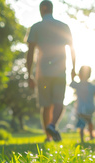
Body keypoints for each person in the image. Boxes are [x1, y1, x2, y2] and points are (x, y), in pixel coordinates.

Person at [25, 0, 76, 142]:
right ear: (52, 10)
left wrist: (29, 74)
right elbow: (72, 49)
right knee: (58, 101)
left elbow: (30, 52)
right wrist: (74, 69)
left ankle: (48, 136)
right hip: (60, 71)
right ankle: (52, 126)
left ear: (41, 10)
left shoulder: (36, 27)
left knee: (45, 104)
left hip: (43, 72)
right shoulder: (63, 26)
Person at [70, 66, 95, 143]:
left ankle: (82, 139)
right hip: (90, 108)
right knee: (90, 121)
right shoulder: (92, 86)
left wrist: (72, 75)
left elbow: (72, 83)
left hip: (81, 108)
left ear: (79, 75)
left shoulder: (78, 85)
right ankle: (91, 135)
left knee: (81, 124)